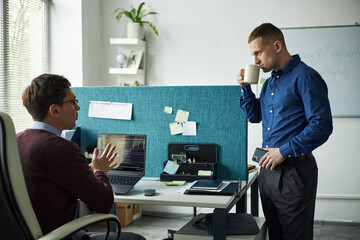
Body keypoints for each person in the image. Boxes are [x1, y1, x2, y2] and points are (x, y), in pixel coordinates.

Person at [237, 23, 333, 240]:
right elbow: (254, 116)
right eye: (252, 55)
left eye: (258, 53)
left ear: (277, 45)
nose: (255, 61)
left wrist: (283, 151)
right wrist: (245, 88)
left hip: (294, 173)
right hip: (268, 172)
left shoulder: (306, 77)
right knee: (276, 235)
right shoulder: (269, 83)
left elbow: (322, 125)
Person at [17, 74, 118, 237]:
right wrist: (100, 171)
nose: (78, 108)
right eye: (73, 102)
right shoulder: (62, 149)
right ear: (54, 110)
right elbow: (104, 204)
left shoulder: (13, 141)